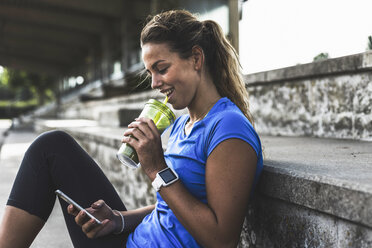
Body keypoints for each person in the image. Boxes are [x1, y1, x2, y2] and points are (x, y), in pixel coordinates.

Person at [0, 9, 263, 248]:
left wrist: (156, 169)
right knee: (51, 147)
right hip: (133, 239)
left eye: (162, 69)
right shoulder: (184, 123)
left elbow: (221, 240)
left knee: (50, 148)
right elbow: (169, 210)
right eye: (150, 73)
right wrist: (118, 220)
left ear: (196, 58)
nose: (154, 83)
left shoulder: (228, 127)